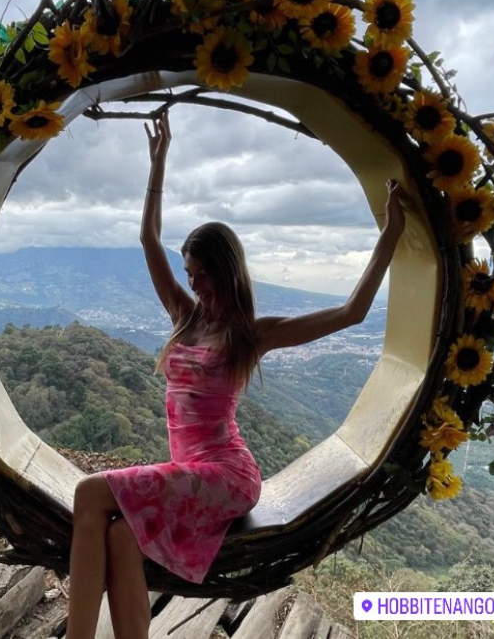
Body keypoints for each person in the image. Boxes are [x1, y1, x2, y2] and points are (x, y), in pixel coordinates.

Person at [64, 110, 409, 639]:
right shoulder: (185, 317)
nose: (194, 284)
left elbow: (350, 313)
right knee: (119, 537)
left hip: (227, 474)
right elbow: (149, 240)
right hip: (192, 469)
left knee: (90, 492)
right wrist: (158, 163)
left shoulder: (250, 334)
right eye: (190, 274)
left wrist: (391, 234)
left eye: (202, 274)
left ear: (225, 272)